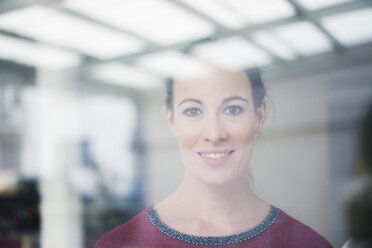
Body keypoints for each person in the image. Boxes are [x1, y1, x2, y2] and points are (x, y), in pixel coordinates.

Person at [94, 67, 333, 247]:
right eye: (193, 111)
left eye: (233, 109)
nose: (214, 133)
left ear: (259, 117)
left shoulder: (306, 243)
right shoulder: (119, 244)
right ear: (171, 120)